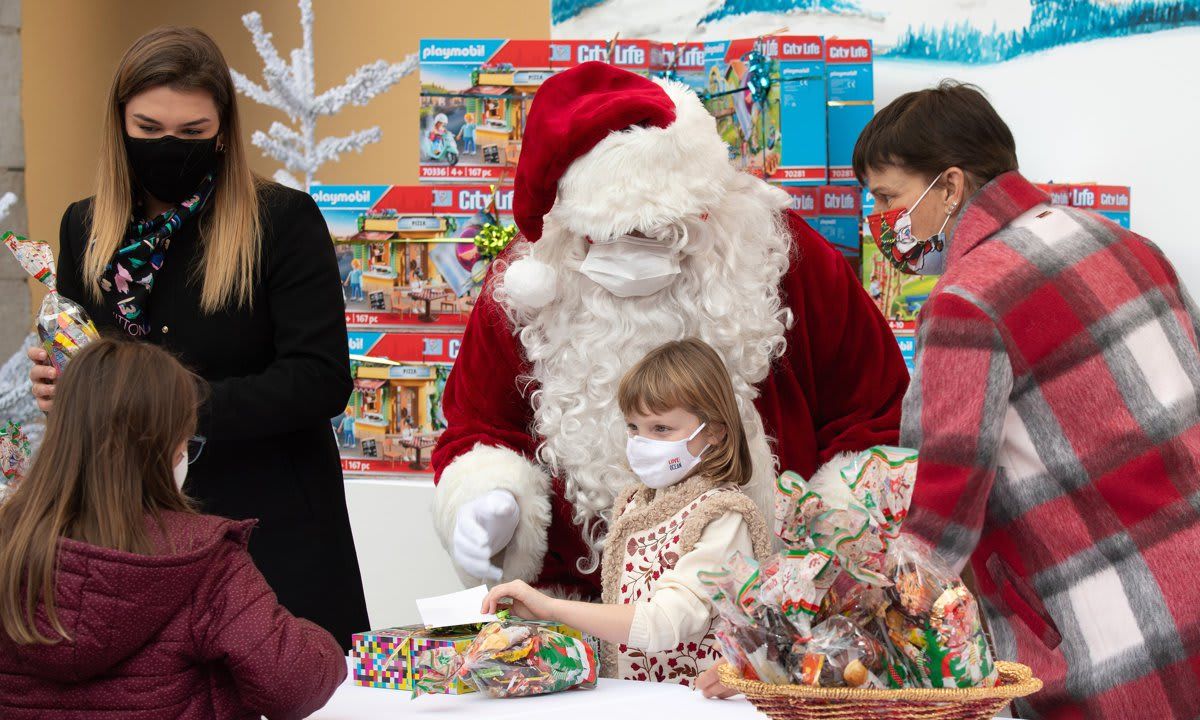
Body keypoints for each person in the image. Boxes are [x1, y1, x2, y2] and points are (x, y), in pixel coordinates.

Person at [431, 62, 908, 598]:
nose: (638, 253)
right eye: (614, 237)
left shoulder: (777, 255)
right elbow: (479, 426)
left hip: (766, 615)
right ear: (570, 226)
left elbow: (875, 414)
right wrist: (487, 498)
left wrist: (834, 550)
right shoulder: (526, 290)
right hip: (588, 617)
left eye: (665, 232)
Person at [854, 81, 1200, 718]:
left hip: (1111, 635)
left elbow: (942, 516)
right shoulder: (1129, 246)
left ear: (951, 186)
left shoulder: (965, 303)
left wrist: (860, 628)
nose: (878, 222)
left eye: (886, 197)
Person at [26, 27, 368, 649]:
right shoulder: (85, 225)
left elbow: (320, 379)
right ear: (119, 124)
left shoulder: (281, 222)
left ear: (223, 131)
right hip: (125, 531)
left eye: (191, 134)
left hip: (270, 529)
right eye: (149, 130)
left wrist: (170, 405)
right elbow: (83, 352)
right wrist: (64, 381)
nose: (169, 148)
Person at [0, 339, 346, 719]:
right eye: (187, 440)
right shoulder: (205, 561)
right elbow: (295, 685)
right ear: (165, 449)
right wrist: (317, 642)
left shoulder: (10, 545)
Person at [482, 339, 770, 687]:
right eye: (634, 428)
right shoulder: (636, 504)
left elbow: (663, 622)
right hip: (635, 698)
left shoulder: (724, 516)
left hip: (690, 705)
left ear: (715, 431)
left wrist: (552, 607)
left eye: (661, 429)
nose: (642, 442)